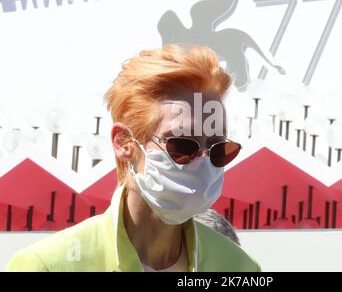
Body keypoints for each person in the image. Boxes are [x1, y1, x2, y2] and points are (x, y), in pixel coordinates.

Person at [5, 45, 260, 272]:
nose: (203, 164)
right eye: (182, 145)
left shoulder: (239, 267)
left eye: (217, 148)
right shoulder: (45, 265)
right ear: (123, 143)